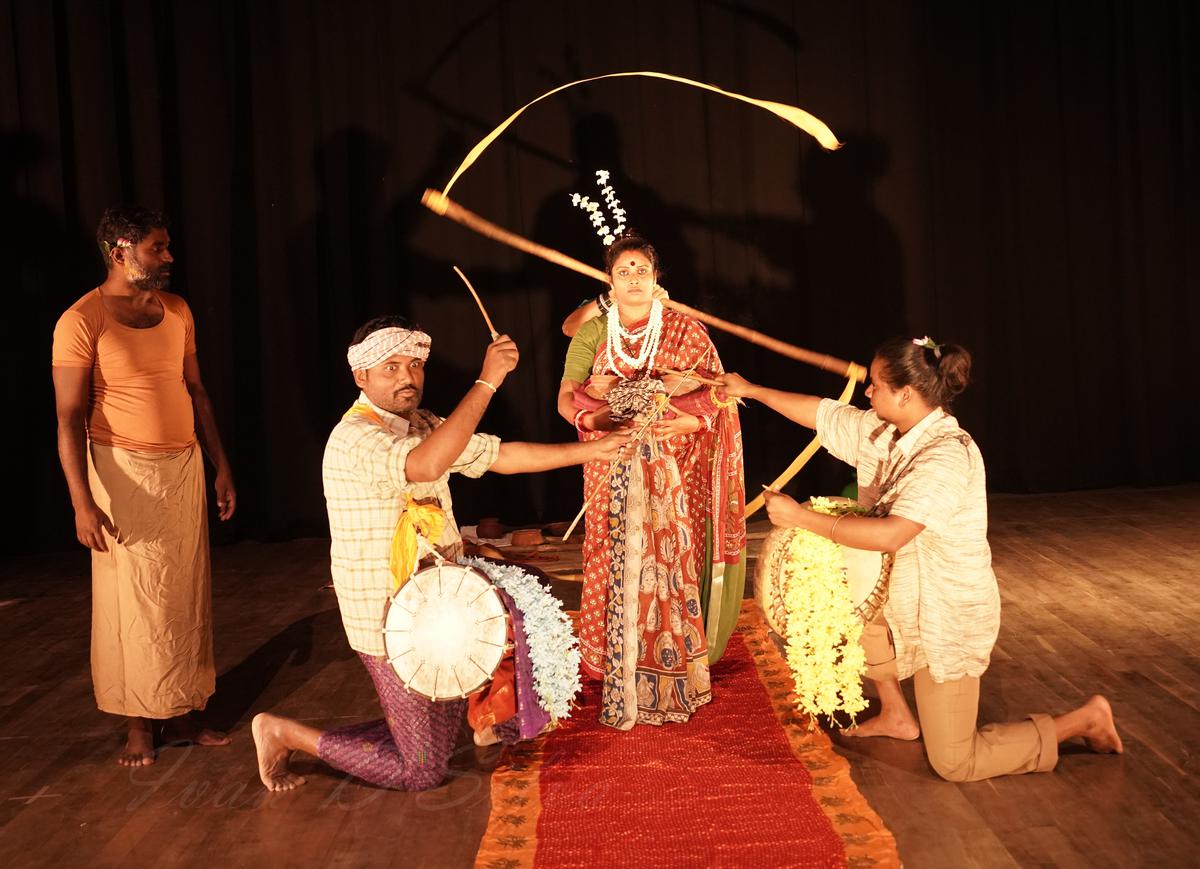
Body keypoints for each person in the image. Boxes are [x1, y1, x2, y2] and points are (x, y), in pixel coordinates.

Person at [717, 336, 1122, 782]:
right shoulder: (885, 430)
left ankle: (1083, 720)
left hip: (945, 619)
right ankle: (897, 714)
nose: (867, 392)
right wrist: (750, 389)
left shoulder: (947, 456)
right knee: (838, 604)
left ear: (905, 394)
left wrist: (802, 518)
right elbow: (821, 413)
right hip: (899, 603)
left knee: (955, 763)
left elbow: (892, 534)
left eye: (875, 385)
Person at [252, 316, 630, 791]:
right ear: (360, 376)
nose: (407, 377)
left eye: (414, 364)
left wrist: (595, 452)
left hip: (441, 604)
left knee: (510, 639)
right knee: (423, 769)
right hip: (391, 619)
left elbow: (500, 456)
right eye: (390, 367)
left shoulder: (424, 422)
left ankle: (478, 720)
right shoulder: (354, 438)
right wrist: (487, 381)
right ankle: (283, 732)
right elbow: (425, 463)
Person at [51, 205, 236, 767]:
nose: (169, 257)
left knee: (182, 594)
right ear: (120, 251)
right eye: (158, 248)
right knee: (131, 599)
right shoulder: (80, 320)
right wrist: (81, 500)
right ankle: (138, 720)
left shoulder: (176, 309)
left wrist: (220, 464)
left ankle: (181, 712)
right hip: (120, 471)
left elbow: (197, 392)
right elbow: (68, 418)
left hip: (182, 467)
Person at [556, 234, 746, 730]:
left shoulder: (687, 329)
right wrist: (602, 422)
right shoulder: (593, 332)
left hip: (672, 468)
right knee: (608, 552)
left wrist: (687, 419)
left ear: (657, 278)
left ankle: (672, 663)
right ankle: (606, 663)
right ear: (609, 282)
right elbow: (568, 402)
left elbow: (720, 395)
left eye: (643, 269)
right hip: (609, 463)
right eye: (625, 271)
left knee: (667, 558)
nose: (634, 278)